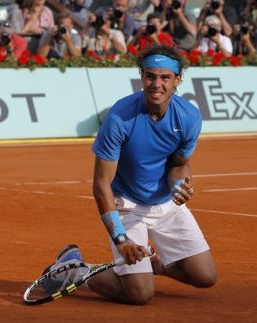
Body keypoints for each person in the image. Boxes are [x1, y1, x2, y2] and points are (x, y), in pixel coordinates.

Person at [42, 44, 217, 305]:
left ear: (178, 80)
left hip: (165, 204)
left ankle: (150, 266)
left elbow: (179, 163)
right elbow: (102, 184)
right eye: (150, 76)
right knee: (139, 294)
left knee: (205, 276)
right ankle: (75, 269)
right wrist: (121, 239)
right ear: (142, 76)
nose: (157, 84)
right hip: (127, 206)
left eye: (165, 77)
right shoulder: (120, 117)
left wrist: (179, 183)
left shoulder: (189, 117)